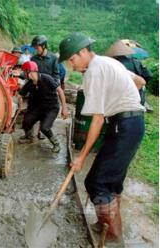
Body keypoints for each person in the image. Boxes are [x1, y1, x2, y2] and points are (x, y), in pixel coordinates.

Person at [59, 32, 146, 244]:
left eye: (72, 59)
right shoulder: (109, 63)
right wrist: (119, 98)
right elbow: (140, 81)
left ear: (83, 51)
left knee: (96, 182)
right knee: (112, 182)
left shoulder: (94, 72)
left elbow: (97, 120)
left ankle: (114, 237)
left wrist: (80, 156)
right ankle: (106, 223)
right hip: (133, 124)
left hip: (123, 125)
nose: (71, 65)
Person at [18, 61, 68, 153]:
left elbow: (60, 91)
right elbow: (19, 95)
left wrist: (64, 108)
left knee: (45, 128)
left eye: (24, 72)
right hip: (39, 108)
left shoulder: (47, 78)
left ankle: (56, 144)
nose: (23, 74)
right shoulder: (29, 84)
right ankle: (29, 137)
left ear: (29, 71)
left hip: (51, 108)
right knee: (26, 121)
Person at [105, 40, 153, 106]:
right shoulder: (136, 62)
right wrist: (140, 85)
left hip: (120, 98)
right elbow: (149, 75)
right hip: (137, 95)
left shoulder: (112, 64)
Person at [31, 35, 61, 140]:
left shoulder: (53, 58)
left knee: (45, 113)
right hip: (37, 91)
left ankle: (41, 131)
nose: (36, 49)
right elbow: (30, 73)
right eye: (34, 47)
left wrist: (55, 84)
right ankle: (30, 134)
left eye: (37, 47)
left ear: (44, 46)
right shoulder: (33, 58)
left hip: (48, 90)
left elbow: (56, 75)